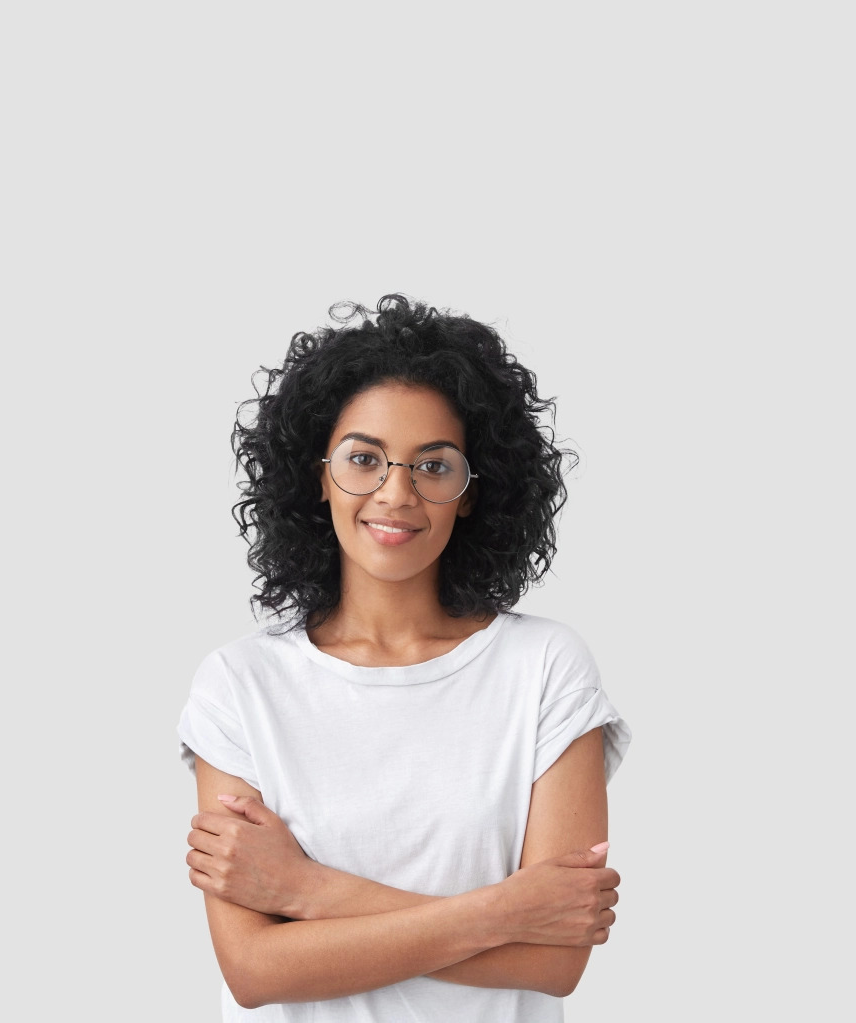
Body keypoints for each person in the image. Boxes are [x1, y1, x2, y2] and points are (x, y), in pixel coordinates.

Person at [178, 294, 631, 1021]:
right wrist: (507, 910)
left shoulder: (545, 667)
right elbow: (255, 968)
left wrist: (307, 892)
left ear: (474, 491)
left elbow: (555, 959)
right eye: (364, 458)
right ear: (318, 474)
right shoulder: (240, 684)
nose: (396, 492)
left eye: (434, 465)